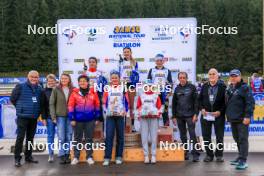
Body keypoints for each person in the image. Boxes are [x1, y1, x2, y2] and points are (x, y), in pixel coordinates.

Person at [10, 70, 43, 167]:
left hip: (33, 117)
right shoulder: (20, 86)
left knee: (30, 138)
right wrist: (21, 108)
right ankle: (17, 158)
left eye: (36, 77)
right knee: (20, 137)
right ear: (28, 77)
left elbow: (40, 101)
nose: (34, 78)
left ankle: (28, 156)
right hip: (23, 117)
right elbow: (12, 99)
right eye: (32, 77)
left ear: (38, 78)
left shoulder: (39, 88)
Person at [225, 69, 255, 170]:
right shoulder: (230, 87)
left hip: (242, 119)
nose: (233, 78)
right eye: (232, 76)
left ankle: (243, 161)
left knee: (243, 139)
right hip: (233, 119)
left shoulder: (245, 87)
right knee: (237, 139)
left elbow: (250, 103)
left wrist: (247, 116)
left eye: (235, 76)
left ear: (240, 76)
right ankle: (240, 156)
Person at [68, 75, 101, 165]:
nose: (82, 82)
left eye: (84, 81)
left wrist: (97, 117)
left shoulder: (93, 92)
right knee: (77, 139)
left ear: (88, 82)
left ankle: (89, 157)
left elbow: (97, 105)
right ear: (78, 83)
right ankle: (76, 157)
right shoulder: (74, 93)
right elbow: (70, 106)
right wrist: (72, 118)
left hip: (90, 120)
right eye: (80, 81)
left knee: (89, 139)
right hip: (77, 120)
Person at [199, 68, 226, 162]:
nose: (212, 76)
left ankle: (219, 155)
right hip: (206, 115)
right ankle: (209, 155)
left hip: (218, 115)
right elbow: (199, 100)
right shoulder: (204, 86)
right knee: (206, 136)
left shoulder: (223, 87)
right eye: (210, 74)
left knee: (219, 136)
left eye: (214, 74)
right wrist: (201, 109)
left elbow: (225, 102)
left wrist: (220, 112)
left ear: (217, 75)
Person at [102, 70, 129, 166]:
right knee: (109, 137)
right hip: (110, 116)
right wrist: (106, 111)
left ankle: (119, 157)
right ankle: (107, 158)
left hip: (120, 116)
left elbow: (126, 102)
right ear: (110, 79)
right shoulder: (107, 89)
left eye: (116, 78)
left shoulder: (123, 88)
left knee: (120, 137)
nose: (114, 79)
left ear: (119, 78)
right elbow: (104, 103)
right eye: (112, 78)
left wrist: (125, 111)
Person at [172, 72, 200, 162]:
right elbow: (174, 104)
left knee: (192, 134)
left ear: (186, 78)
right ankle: (185, 152)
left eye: (184, 77)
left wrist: (196, 114)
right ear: (178, 79)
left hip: (190, 115)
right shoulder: (176, 89)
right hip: (179, 116)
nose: (182, 79)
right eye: (180, 77)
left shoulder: (192, 87)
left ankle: (195, 154)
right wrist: (173, 116)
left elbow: (196, 101)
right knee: (183, 135)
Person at [49, 73, 74, 164]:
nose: (64, 80)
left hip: (70, 117)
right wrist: (53, 116)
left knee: (69, 136)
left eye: (66, 78)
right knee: (61, 137)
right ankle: (62, 155)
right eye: (62, 78)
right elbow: (51, 103)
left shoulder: (73, 89)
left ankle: (67, 154)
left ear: (69, 79)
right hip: (60, 116)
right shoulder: (56, 89)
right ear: (60, 80)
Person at [136, 79, 162, 164]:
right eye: (147, 86)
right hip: (144, 118)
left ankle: (153, 155)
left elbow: (159, 107)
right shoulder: (141, 95)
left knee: (154, 137)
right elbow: (138, 107)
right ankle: (146, 156)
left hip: (154, 118)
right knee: (144, 137)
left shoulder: (156, 95)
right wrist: (140, 113)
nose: (149, 87)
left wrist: (158, 114)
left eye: (150, 86)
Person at [147, 53, 173, 126]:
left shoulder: (167, 71)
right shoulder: (151, 70)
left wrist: (169, 93)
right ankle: (154, 128)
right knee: (154, 111)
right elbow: (148, 82)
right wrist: (150, 93)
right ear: (155, 61)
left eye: (160, 60)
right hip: (154, 94)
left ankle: (166, 129)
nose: (159, 62)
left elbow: (170, 83)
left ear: (163, 61)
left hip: (164, 93)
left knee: (165, 111)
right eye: (157, 60)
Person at [119, 47, 139, 132]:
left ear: (131, 52)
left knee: (131, 106)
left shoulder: (135, 62)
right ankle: (123, 126)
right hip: (123, 84)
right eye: (125, 52)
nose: (126, 53)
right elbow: (119, 73)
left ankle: (133, 125)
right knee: (123, 105)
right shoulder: (120, 62)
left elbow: (137, 75)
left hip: (131, 84)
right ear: (123, 53)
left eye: (128, 52)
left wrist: (134, 82)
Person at [41, 74, 57, 163]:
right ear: (47, 82)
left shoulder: (59, 90)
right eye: (49, 81)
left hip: (59, 117)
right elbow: (42, 106)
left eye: (52, 81)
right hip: (49, 118)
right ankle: (51, 154)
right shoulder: (43, 91)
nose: (51, 82)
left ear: (55, 81)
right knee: (50, 136)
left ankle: (63, 153)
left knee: (62, 136)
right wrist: (43, 118)